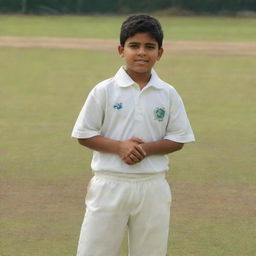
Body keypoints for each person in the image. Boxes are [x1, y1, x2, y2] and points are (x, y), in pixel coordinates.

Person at [71, 14, 195, 256]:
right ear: (121, 50)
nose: (141, 53)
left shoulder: (167, 94)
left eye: (149, 47)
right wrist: (119, 147)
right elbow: (84, 134)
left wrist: (145, 150)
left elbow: (178, 138)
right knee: (95, 250)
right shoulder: (104, 90)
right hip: (110, 183)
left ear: (160, 53)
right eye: (134, 46)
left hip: (152, 186)